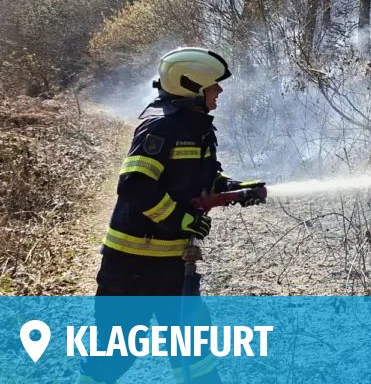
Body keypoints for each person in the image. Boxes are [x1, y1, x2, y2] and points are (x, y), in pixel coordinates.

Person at [79, 47, 266, 384]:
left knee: (194, 355)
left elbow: (199, 177)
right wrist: (179, 219)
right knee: (114, 355)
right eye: (212, 85)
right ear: (191, 86)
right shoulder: (161, 127)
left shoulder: (197, 127)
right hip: (132, 266)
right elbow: (135, 185)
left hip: (173, 264)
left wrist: (234, 189)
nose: (219, 90)